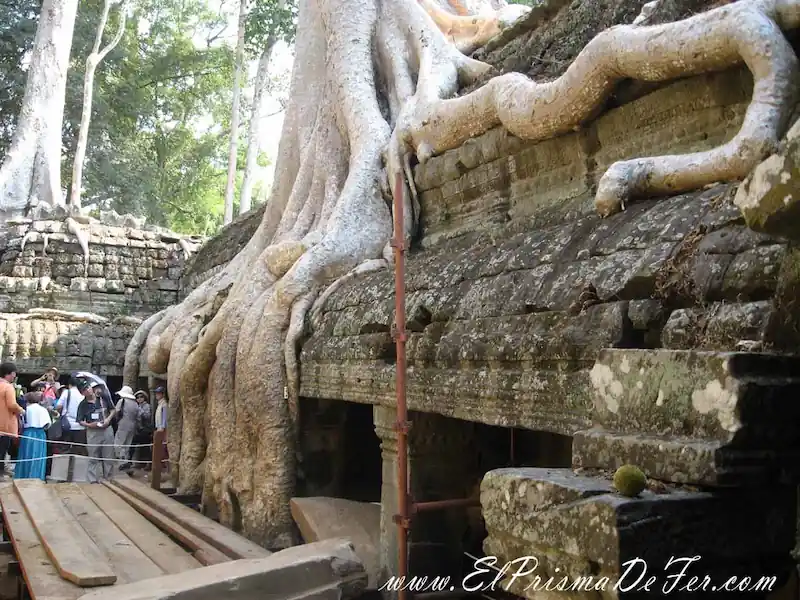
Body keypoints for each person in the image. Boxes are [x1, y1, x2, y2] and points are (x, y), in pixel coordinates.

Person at [76, 380, 116, 483]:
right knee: (93, 457)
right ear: (82, 393)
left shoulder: (103, 397)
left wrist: (108, 419)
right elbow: (80, 420)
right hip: (93, 431)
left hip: (107, 429)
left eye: (88, 387)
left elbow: (113, 409)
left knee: (108, 456)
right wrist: (89, 425)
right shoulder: (83, 405)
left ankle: (109, 478)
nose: (87, 390)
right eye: (84, 390)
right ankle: (92, 480)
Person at [15, 391, 51, 480]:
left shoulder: (25, 409)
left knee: (26, 455)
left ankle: (23, 476)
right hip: (39, 433)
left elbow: (21, 424)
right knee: (38, 456)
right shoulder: (42, 409)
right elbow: (47, 424)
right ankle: (36, 476)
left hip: (27, 433)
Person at [0, 363, 23, 478]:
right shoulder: (8, 387)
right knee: (1, 451)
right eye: (14, 373)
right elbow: (12, 405)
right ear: (10, 373)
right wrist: (21, 410)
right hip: (4, 426)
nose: (15, 376)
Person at [113, 385, 138, 471]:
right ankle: (127, 460)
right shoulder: (135, 404)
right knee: (128, 444)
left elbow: (117, 412)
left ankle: (122, 462)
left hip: (123, 424)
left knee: (118, 443)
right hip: (132, 425)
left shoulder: (122, 401)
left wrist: (117, 420)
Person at [131, 390, 153, 469]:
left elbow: (147, 416)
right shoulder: (136, 406)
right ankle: (140, 463)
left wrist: (140, 410)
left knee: (146, 447)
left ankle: (149, 464)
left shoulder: (146, 406)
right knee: (139, 446)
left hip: (145, 429)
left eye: (141, 397)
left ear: (144, 398)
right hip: (138, 430)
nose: (139, 399)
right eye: (137, 397)